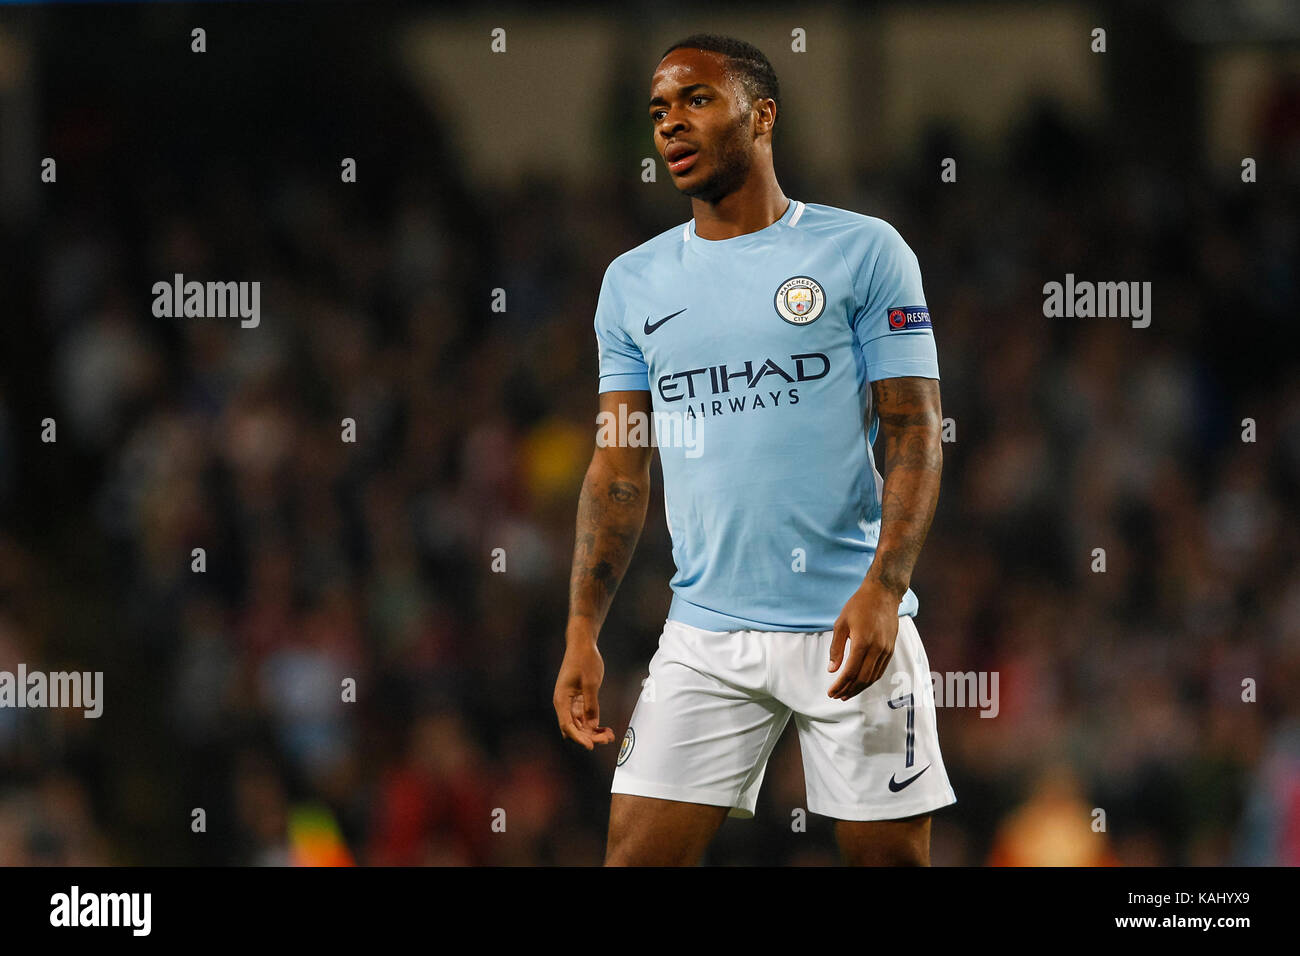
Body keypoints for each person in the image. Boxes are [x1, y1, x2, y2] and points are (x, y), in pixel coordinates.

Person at [553, 33, 955, 866]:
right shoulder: (632, 283)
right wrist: (581, 629)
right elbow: (620, 466)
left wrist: (886, 586)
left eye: (696, 100)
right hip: (706, 634)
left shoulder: (864, 252)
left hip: (851, 622)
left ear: (762, 115)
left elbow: (917, 431)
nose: (671, 125)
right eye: (660, 110)